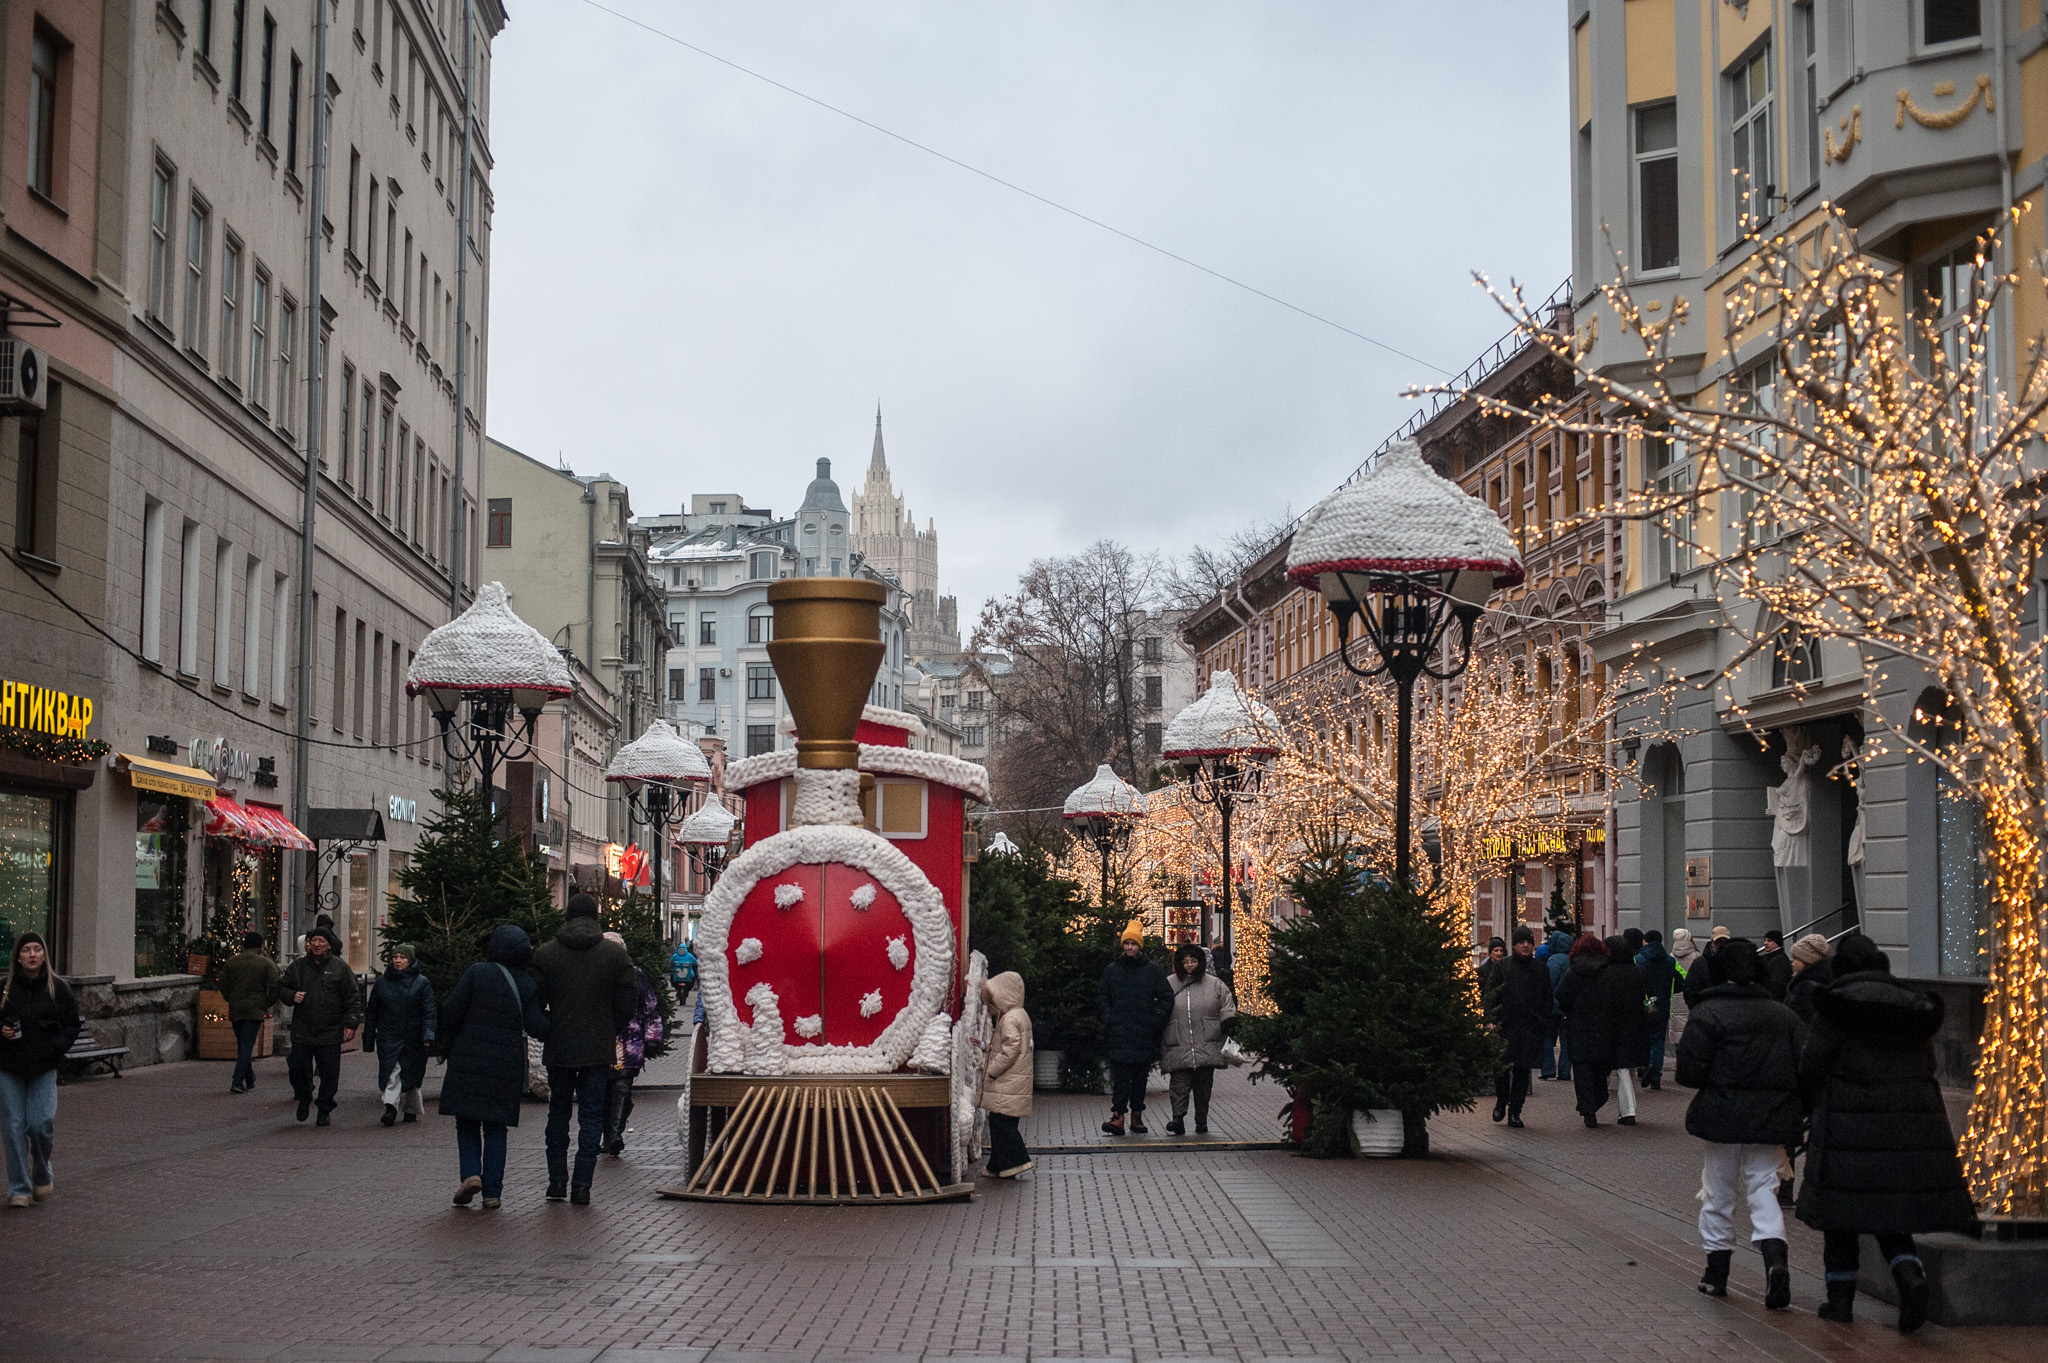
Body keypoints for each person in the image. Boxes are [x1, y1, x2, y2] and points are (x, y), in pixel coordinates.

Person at [1795, 933, 1975, 1332]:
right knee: (1892, 1215)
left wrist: (1806, 1108)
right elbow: (1928, 1067)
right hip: (1904, 1129)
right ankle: (1910, 1277)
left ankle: (1839, 1303)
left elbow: (1812, 1066)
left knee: (1840, 1220)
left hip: (1846, 1127)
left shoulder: (1834, 1009)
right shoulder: (1913, 1009)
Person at [1676, 937, 1804, 1309]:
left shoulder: (1709, 1012)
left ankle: (1716, 1275)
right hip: (1772, 1117)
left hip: (1722, 1115)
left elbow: (1689, 1071)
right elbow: (1805, 1065)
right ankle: (1775, 1262)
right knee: (1765, 1190)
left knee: (1718, 1193)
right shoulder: (1783, 1014)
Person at [531, 894, 638, 1204]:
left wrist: (547, 1027)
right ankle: (582, 1185)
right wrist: (611, 1027)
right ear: (596, 917)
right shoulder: (614, 956)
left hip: (559, 1047)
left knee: (558, 1113)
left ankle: (556, 1182)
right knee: (591, 1115)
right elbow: (628, 998)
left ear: (567, 915)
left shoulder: (547, 954)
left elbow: (533, 1001)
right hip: (597, 1047)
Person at [438, 924, 552, 1210]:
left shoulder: (476, 972)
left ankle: (470, 1174)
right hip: (506, 1062)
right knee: (496, 1127)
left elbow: (452, 1011)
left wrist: (449, 1041)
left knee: (466, 1121)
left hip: (468, 1057)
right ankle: (492, 1191)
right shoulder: (526, 984)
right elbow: (537, 1026)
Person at [0, 934, 80, 1208]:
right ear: (18, 956)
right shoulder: (5, 988)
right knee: (13, 1127)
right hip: (9, 1066)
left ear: (44, 955)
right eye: (26, 950)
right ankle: (19, 1189)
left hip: (43, 1067)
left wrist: (54, 1048)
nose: (32, 954)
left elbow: (71, 1025)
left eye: (37, 949)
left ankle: (42, 1171)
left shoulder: (58, 988)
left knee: (40, 1124)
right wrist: (3, 1031)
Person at [276, 926, 363, 1127]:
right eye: (313, 940)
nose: (316, 944)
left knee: (329, 1073)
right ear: (308, 943)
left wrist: (351, 1023)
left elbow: (352, 996)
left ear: (329, 945)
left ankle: (324, 1108)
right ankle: (305, 1097)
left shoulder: (340, 968)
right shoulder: (298, 966)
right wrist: (292, 995)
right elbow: (281, 988)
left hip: (330, 1029)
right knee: (298, 1069)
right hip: (303, 1029)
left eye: (321, 941)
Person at [1097, 920, 1172, 1136]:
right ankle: (1118, 1116)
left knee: (1140, 1077)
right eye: (1126, 943)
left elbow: (1166, 997)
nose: (1129, 947)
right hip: (1120, 1031)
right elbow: (1103, 996)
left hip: (1143, 1033)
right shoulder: (1113, 970)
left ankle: (1136, 1115)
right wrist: (1109, 1017)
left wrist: (1154, 1019)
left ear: (1140, 946)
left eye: (1133, 944)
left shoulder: (1152, 970)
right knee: (1120, 1077)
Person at [1161, 942, 1236, 1136]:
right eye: (1185, 961)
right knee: (1179, 1084)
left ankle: (1201, 1118)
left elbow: (1226, 1003)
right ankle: (1177, 1118)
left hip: (1207, 1041)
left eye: (1193, 961)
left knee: (1203, 1086)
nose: (1189, 965)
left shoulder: (1214, 984)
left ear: (1200, 962)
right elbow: (1159, 1007)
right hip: (1178, 1041)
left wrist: (1228, 1022)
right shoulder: (1169, 984)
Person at [601, 931, 664, 1157]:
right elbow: (651, 1007)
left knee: (616, 1089)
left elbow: (649, 1007)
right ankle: (611, 1134)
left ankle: (613, 1134)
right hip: (616, 1043)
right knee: (613, 1090)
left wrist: (653, 1036)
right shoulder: (602, 974)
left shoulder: (634, 975)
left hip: (622, 1042)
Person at [363, 943, 436, 1126]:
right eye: (395, 957)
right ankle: (391, 1107)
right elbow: (372, 1012)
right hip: (388, 1036)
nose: (398, 961)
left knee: (411, 1075)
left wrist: (428, 1035)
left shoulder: (421, 983)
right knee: (391, 1071)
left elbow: (429, 1012)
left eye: (402, 958)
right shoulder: (382, 983)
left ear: (410, 960)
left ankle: (411, 1109)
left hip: (413, 1038)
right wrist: (368, 1038)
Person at [1488, 926, 1552, 1129]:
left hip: (1529, 1027)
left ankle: (1515, 1111)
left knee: (1523, 1070)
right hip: (1505, 1026)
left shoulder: (1540, 968)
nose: (1525, 945)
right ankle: (1501, 1101)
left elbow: (1547, 998)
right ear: (1514, 945)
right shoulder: (1502, 968)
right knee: (1502, 1068)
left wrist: (1542, 1020)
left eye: (1529, 942)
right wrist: (1490, 1019)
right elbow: (1490, 995)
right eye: (1521, 942)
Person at [1555, 933, 1618, 1126]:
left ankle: (1587, 1108)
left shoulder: (1573, 972)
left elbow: (1561, 996)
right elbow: (1615, 999)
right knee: (1600, 1068)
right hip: (1603, 1027)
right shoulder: (1608, 972)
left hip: (1578, 1027)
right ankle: (1598, 1100)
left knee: (1582, 1069)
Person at [978, 970, 1034, 1178]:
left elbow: (1010, 1049)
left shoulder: (1009, 1019)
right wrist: (986, 1045)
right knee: (1003, 1122)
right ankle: (998, 1165)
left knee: (1001, 1123)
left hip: (1007, 1082)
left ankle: (1018, 1161)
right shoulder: (1020, 1015)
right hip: (1015, 1082)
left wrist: (992, 1071)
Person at [219, 931, 280, 1094]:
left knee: (243, 1044)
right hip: (255, 1009)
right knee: (247, 1045)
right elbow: (276, 984)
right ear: (260, 946)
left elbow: (222, 984)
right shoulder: (265, 963)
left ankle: (250, 1078)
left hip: (236, 1007)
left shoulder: (232, 962)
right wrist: (266, 1003)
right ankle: (237, 1081)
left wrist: (230, 998)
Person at [1635, 929, 1681, 1090]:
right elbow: (1681, 980)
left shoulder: (1638, 960)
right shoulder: (1670, 961)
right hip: (1662, 1005)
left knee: (1643, 1038)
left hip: (1645, 1005)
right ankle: (1656, 1076)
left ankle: (1644, 1066)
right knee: (1658, 1041)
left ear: (1645, 941)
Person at [1539, 930, 1574, 1081]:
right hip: (1567, 1007)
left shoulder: (1553, 960)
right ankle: (1565, 1072)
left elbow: (1549, 983)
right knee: (1566, 1040)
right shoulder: (1571, 960)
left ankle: (1548, 1069)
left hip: (1553, 1007)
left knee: (1547, 1037)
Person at [1784, 932, 1833, 1026]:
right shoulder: (1827, 980)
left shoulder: (1805, 989)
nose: (1793, 963)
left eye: (1796, 959)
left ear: (1807, 960)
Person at [1758, 930, 1795, 1001]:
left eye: (1769, 940)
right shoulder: (1774, 958)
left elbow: (1778, 985)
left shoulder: (1779, 960)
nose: (1765, 943)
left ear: (1776, 942)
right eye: (1765, 940)